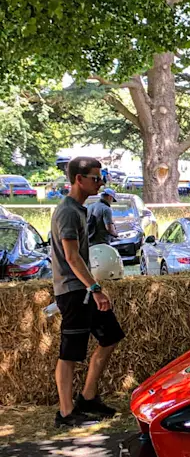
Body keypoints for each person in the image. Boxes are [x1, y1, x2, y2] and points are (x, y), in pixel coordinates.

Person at [49, 157, 125, 428]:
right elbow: (71, 257)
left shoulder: (80, 210)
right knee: (70, 353)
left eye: (101, 177)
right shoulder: (68, 211)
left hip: (83, 289)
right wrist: (94, 288)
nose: (101, 183)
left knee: (111, 336)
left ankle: (88, 397)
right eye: (95, 178)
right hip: (73, 291)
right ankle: (66, 413)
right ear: (78, 179)